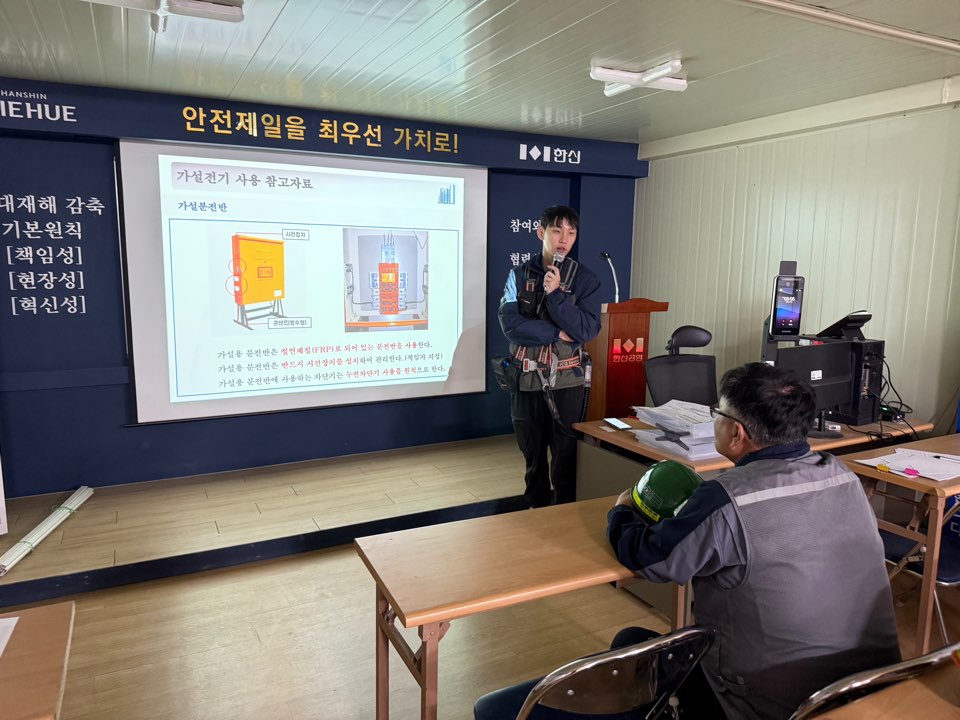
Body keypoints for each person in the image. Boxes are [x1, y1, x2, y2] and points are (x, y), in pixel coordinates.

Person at [475, 362, 901, 720]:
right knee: (631, 640)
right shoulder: (844, 477)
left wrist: (623, 510)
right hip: (868, 693)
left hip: (768, 705)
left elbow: (650, 559)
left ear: (737, 434)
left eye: (717, 413)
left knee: (632, 650)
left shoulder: (727, 500)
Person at [498, 205, 601, 507]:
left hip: (567, 382)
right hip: (526, 380)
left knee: (566, 459)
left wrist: (556, 295)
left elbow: (586, 329)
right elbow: (511, 326)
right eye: (557, 230)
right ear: (541, 232)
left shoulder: (585, 280)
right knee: (532, 456)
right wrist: (556, 332)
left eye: (571, 232)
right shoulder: (518, 274)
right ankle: (536, 511)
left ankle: (564, 516)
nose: (564, 239)